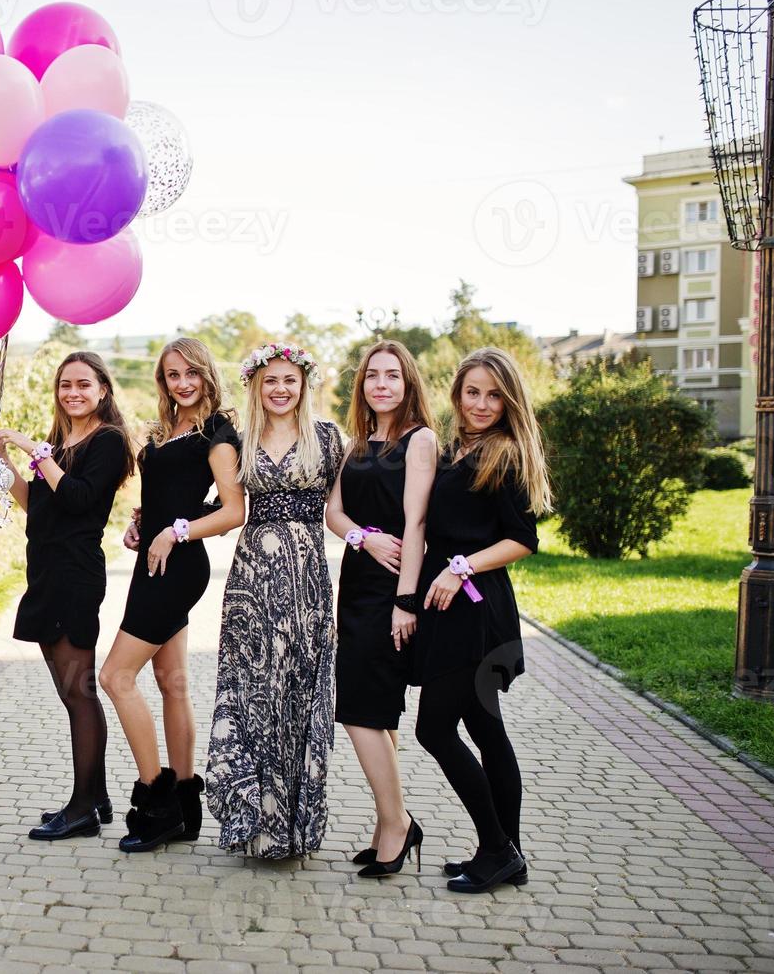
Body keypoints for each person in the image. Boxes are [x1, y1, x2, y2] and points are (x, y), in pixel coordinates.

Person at [413, 347, 552, 893]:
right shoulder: (455, 450)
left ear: (509, 399)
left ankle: (497, 849)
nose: (482, 403)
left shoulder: (504, 454)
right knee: (487, 731)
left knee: (434, 729)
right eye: (473, 392)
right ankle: (506, 852)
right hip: (461, 609)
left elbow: (522, 539)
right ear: (457, 393)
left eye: (494, 395)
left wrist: (459, 566)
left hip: (476, 611)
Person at [99, 338, 243, 853]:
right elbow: (166, 494)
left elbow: (232, 511)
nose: (181, 383)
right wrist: (144, 525)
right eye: (171, 375)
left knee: (115, 677)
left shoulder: (219, 435)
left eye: (190, 374)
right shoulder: (166, 430)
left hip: (178, 566)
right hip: (152, 559)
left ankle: (156, 805)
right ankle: (184, 806)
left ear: (207, 374)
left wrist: (175, 531)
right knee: (173, 682)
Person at [0, 351, 136, 841]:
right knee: (73, 693)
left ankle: (82, 807)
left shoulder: (108, 442)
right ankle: (97, 798)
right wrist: (4, 461)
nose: (73, 393)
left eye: (83, 384)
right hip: (46, 573)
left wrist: (34, 452)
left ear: (103, 391)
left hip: (74, 575)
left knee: (78, 693)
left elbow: (76, 499)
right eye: (65, 385)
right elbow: (39, 505)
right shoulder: (58, 442)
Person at [205, 343, 344, 860]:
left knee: (296, 696)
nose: (280, 389)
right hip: (251, 586)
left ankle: (294, 827)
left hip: (307, 583)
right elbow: (217, 502)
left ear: (304, 384)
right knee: (253, 694)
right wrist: (149, 525)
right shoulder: (238, 439)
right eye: (270, 381)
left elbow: (346, 509)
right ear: (255, 387)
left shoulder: (329, 439)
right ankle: (255, 824)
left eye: (289, 380)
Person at [326, 340, 438, 877]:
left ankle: (398, 824)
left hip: (394, 592)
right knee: (375, 711)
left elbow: (417, 525)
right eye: (373, 375)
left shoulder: (420, 441)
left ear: (407, 382)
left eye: (392, 375)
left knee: (359, 711)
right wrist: (362, 539)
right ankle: (387, 822)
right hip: (356, 583)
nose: (382, 384)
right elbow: (334, 512)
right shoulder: (355, 445)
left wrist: (406, 602)